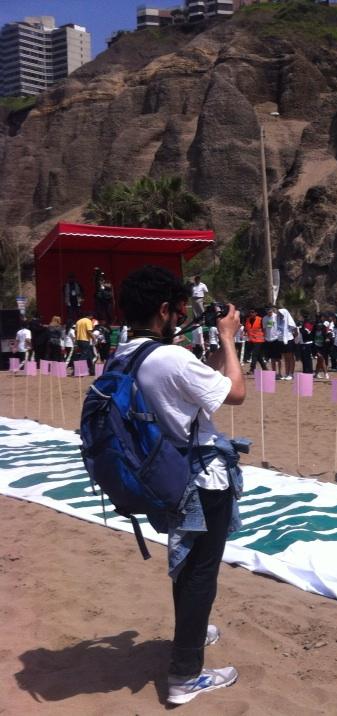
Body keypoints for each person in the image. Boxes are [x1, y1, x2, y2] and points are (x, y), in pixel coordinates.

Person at [114, 265, 244, 705]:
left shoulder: (127, 353)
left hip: (164, 474)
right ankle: (186, 675)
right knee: (200, 571)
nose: (182, 318)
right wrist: (229, 338)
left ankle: (192, 630)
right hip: (201, 478)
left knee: (186, 563)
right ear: (165, 310)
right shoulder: (170, 357)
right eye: (180, 311)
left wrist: (209, 351)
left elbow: (192, 386)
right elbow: (235, 393)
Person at [277, 305, 297, 381]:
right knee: (285, 357)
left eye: (281, 313)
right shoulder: (278, 320)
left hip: (289, 340)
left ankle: (291, 374)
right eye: (279, 313)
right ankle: (287, 373)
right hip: (281, 340)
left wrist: (291, 338)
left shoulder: (289, 320)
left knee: (290, 357)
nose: (280, 315)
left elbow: (295, 331)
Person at [74, 310, 96, 376]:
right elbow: (89, 331)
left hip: (79, 340)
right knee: (84, 355)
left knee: (89, 355)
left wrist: (76, 339)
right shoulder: (88, 321)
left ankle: (92, 371)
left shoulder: (78, 321)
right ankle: (77, 370)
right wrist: (94, 338)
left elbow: (75, 332)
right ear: (90, 316)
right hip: (85, 340)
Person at [262, 306, 282, 376]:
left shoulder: (276, 317)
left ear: (272, 310)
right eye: (267, 311)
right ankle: (274, 373)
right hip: (268, 340)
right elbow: (264, 329)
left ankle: (279, 373)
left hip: (276, 339)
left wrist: (279, 335)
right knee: (272, 358)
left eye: (270, 311)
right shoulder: (264, 318)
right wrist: (265, 338)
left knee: (278, 358)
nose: (269, 312)